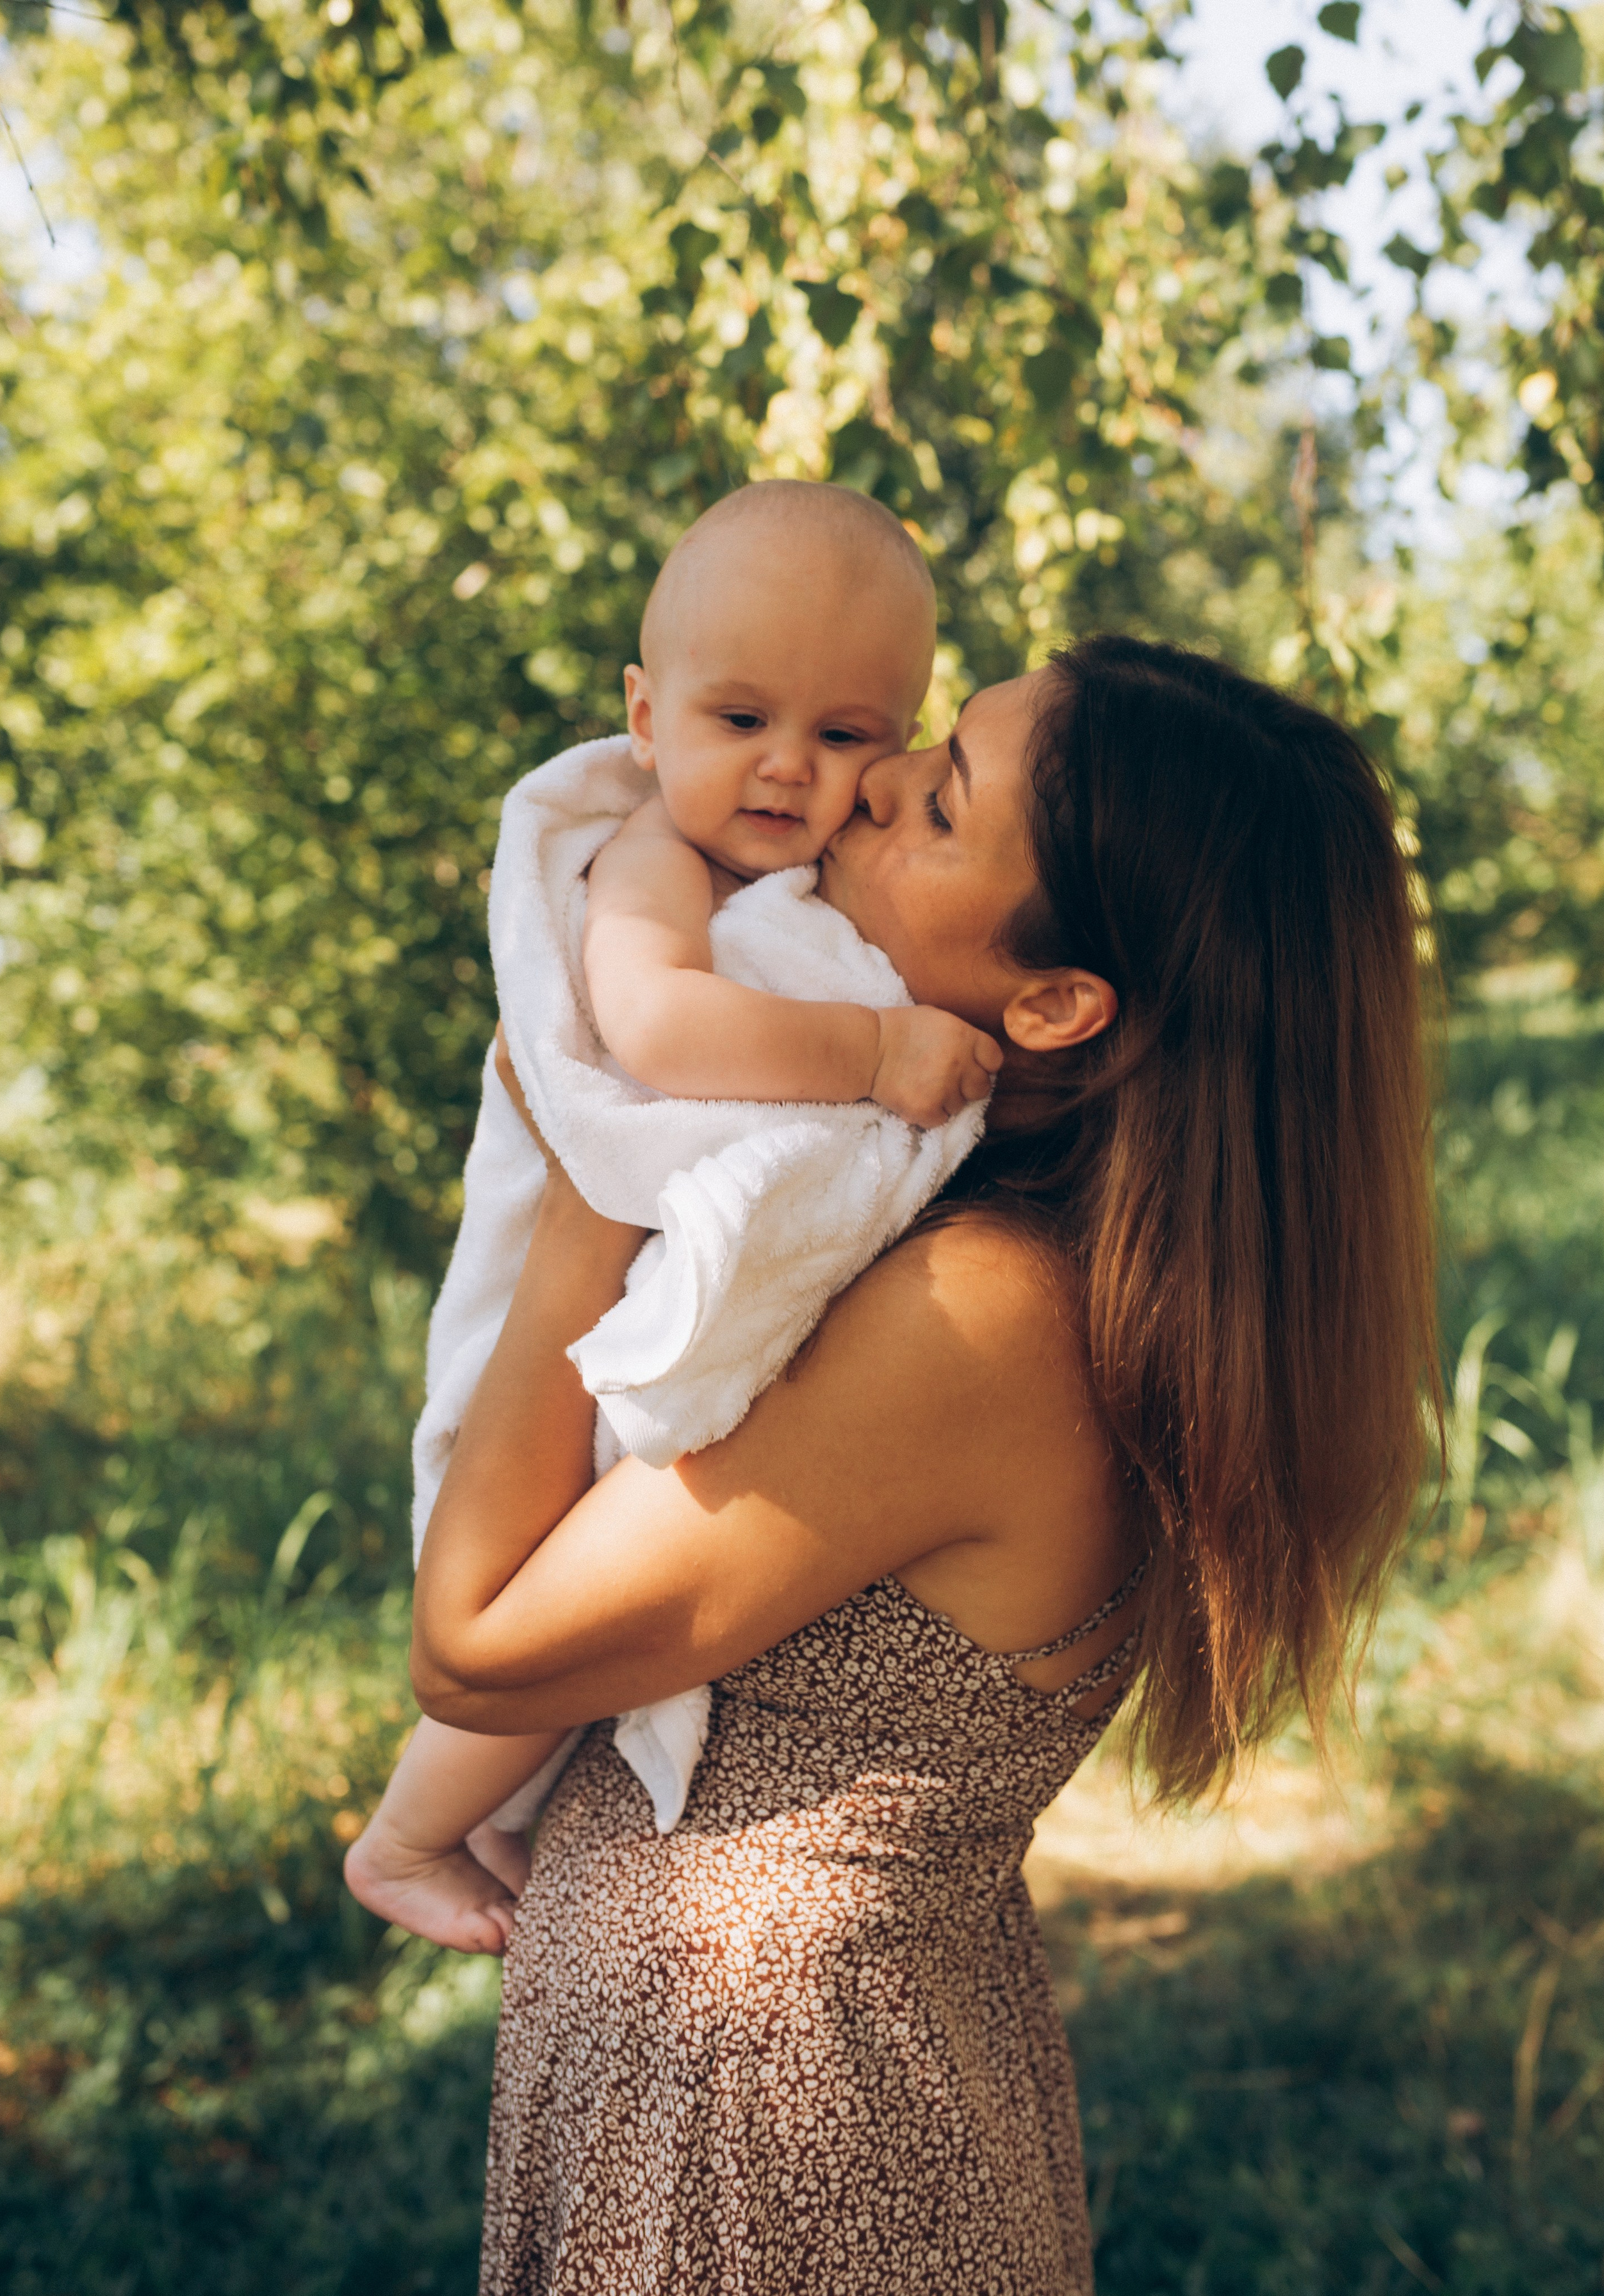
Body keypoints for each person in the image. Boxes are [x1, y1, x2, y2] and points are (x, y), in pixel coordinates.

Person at [411, 635, 1441, 2294]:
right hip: (815, 2066)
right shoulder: (993, 1242)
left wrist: (587, 1172)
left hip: (756, 2130)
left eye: (943, 804)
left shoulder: (980, 1320)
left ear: (1054, 1002)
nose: (872, 784)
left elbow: (475, 1649)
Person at [347, 482, 1003, 1955]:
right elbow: (652, 1030)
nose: (787, 770)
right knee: (551, 1594)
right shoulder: (654, 861)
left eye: (844, 736)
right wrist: (875, 1058)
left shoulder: (805, 889)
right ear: (646, 716)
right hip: (566, 1288)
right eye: (739, 720)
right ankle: (402, 1831)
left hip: (665, 1292)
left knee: (608, 1580)